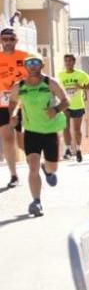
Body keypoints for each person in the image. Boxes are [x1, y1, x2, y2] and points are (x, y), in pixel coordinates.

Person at [9, 55, 69, 217]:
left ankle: (47, 170)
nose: (33, 66)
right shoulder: (19, 86)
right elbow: (13, 103)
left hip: (50, 132)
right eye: (29, 63)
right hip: (31, 132)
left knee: (52, 167)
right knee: (32, 167)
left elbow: (66, 101)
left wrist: (55, 110)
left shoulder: (50, 83)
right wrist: (13, 116)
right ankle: (36, 201)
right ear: (26, 67)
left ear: (42, 65)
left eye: (36, 63)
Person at [0, 28, 30, 189]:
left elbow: (35, 77)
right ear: (0, 40)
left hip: (23, 103)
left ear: (16, 40)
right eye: (5, 39)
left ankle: (36, 164)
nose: (8, 42)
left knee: (21, 141)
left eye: (11, 39)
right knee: (7, 138)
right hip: (3, 104)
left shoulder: (25, 57)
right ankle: (13, 175)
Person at [58, 54, 89, 163]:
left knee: (77, 130)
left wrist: (81, 87)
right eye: (66, 61)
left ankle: (78, 149)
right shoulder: (60, 75)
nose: (68, 63)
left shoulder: (80, 74)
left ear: (74, 62)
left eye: (70, 61)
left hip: (78, 104)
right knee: (65, 127)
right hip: (65, 104)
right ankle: (68, 149)